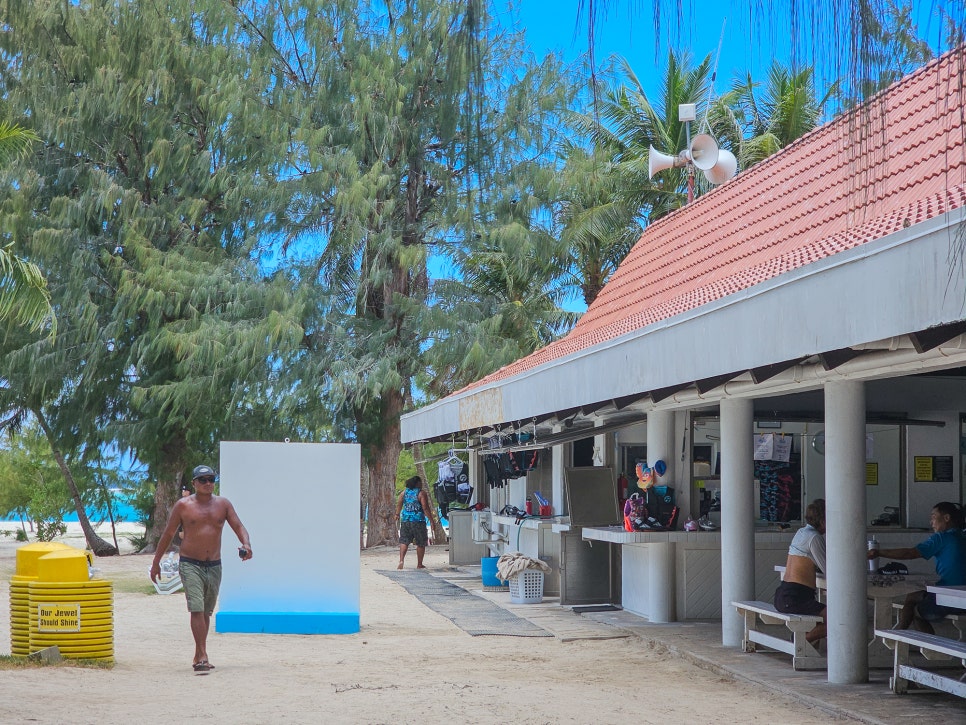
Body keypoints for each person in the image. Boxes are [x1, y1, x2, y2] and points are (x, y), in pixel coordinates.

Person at [150, 464, 252, 672]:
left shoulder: (223, 505)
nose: (208, 484)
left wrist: (246, 544)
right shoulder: (183, 505)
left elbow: (238, 526)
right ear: (195, 483)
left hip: (214, 564)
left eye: (211, 479)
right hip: (190, 563)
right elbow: (168, 534)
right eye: (203, 480)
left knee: (206, 611)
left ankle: (198, 653)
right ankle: (203, 655)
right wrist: (156, 562)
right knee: (196, 608)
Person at [869, 501, 966, 633]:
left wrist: (879, 552)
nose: (931, 522)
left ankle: (903, 636)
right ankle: (902, 634)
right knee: (914, 595)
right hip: (962, 596)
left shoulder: (942, 538)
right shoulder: (962, 535)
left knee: (913, 609)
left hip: (949, 597)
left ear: (946, 518)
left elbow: (910, 553)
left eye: (933, 516)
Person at [774, 498, 827, 644]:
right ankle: (800, 641)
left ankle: (806, 643)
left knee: (822, 616)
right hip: (796, 597)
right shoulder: (814, 538)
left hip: (783, 594)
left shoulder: (801, 532)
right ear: (822, 520)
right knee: (836, 618)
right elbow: (828, 569)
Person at [396, 475, 433, 570]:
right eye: (420, 482)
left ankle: (401, 560)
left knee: (404, 541)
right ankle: (419, 564)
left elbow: (399, 504)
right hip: (418, 521)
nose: (422, 484)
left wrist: (397, 514)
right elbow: (425, 507)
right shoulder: (421, 493)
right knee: (420, 542)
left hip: (405, 520)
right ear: (417, 483)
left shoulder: (404, 493)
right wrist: (432, 520)